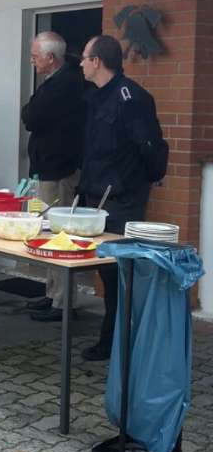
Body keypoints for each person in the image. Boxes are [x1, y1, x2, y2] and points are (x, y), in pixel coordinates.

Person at [78, 34, 166, 361]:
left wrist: (140, 181)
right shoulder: (96, 96)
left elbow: (150, 147)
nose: (82, 63)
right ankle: (112, 338)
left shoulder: (130, 97)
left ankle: (118, 343)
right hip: (97, 197)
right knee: (106, 272)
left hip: (121, 200)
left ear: (97, 61)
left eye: (85, 57)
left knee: (118, 273)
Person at [21, 32, 86, 323]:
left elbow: (31, 116)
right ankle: (52, 294)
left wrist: (31, 110)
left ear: (50, 57)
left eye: (35, 56)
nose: (32, 61)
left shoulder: (66, 84)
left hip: (60, 170)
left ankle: (63, 302)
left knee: (60, 236)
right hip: (48, 167)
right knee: (47, 234)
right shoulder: (55, 82)